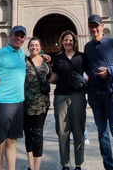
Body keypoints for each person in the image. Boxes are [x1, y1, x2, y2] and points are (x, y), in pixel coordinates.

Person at [83, 14, 113, 170]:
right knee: (102, 133)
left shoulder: (112, 43)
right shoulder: (87, 47)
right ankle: (109, 167)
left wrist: (110, 71)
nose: (94, 29)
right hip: (95, 95)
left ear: (102, 26)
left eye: (96, 26)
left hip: (111, 94)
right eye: (91, 26)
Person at [0, 25, 27, 170]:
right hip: (3, 102)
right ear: (10, 36)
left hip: (18, 103)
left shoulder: (22, 55)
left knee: (12, 140)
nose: (18, 38)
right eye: (16, 35)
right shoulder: (0, 53)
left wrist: (45, 56)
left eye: (21, 36)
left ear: (24, 39)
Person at [49, 31, 86, 170]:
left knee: (78, 130)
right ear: (62, 41)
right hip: (61, 96)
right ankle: (65, 164)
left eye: (70, 40)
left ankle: (78, 164)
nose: (68, 42)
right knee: (62, 131)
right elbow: (52, 78)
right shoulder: (58, 58)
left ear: (74, 41)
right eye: (65, 40)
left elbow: (91, 73)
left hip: (78, 96)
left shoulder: (81, 57)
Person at [23, 37, 51, 170]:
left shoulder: (46, 61)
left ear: (40, 48)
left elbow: (52, 76)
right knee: (28, 134)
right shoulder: (22, 61)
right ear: (28, 47)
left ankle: (37, 168)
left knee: (37, 135)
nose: (34, 47)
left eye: (36, 45)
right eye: (32, 45)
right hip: (25, 104)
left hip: (41, 104)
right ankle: (30, 165)